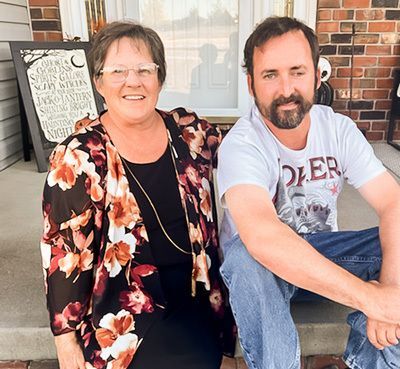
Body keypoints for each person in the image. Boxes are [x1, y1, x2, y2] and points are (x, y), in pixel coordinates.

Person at [40, 21, 234, 369]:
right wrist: (65, 341)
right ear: (98, 82)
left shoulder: (190, 133)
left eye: (145, 69)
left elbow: (249, 149)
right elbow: (65, 253)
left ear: (160, 78)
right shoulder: (80, 156)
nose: (133, 81)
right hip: (125, 310)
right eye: (117, 71)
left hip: (197, 295)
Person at [217, 16, 400, 369]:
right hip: (261, 275)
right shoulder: (242, 143)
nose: (286, 88)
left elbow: (392, 202)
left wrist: (388, 295)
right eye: (270, 74)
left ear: (317, 76)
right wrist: (369, 299)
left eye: (297, 72)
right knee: (244, 257)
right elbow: (262, 237)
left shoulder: (338, 129)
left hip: (325, 261)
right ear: (251, 83)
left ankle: (371, 362)